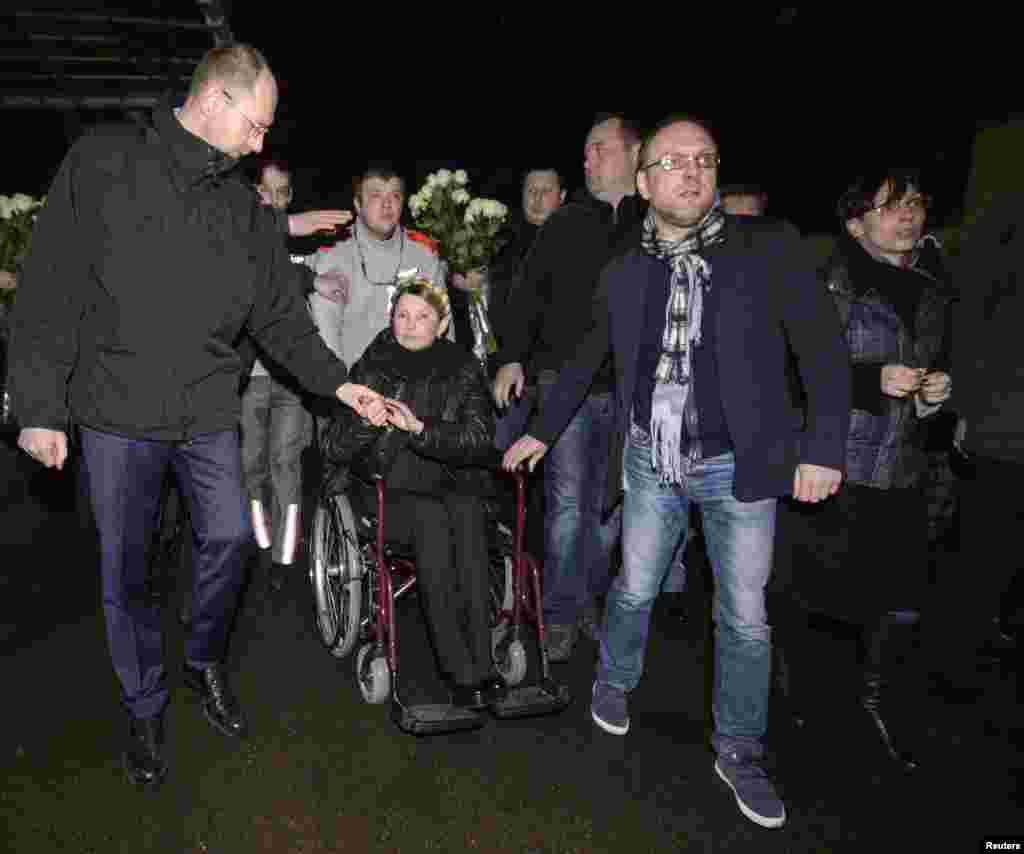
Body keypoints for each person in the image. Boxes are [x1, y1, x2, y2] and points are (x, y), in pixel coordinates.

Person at [5, 44, 387, 790]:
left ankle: (203, 657)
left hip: (208, 411)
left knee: (230, 538)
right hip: (115, 414)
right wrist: (40, 406)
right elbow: (48, 285)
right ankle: (144, 705)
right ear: (215, 99)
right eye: (256, 126)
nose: (260, 143)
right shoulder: (105, 161)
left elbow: (282, 319)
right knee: (127, 573)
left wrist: (342, 387)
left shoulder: (244, 209)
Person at [504, 114, 850, 829]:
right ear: (643, 181)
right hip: (651, 459)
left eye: (704, 160)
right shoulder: (625, 269)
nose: (691, 173)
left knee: (745, 616)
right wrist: (541, 430)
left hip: (741, 464)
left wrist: (824, 448)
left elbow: (820, 349)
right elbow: (585, 358)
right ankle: (614, 678)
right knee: (634, 583)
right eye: (671, 163)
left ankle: (740, 749)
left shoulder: (767, 249)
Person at [773, 169, 954, 772]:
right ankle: (792, 705)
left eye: (917, 205)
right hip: (834, 463)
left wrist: (935, 396)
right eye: (893, 207)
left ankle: (874, 708)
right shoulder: (827, 280)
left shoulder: (932, 289)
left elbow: (933, 371)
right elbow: (790, 369)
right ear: (857, 222)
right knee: (810, 595)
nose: (910, 216)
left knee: (893, 601)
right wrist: (869, 378)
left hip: (901, 468)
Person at [492, 115, 647, 660]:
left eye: (598, 149)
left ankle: (588, 600)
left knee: (611, 514)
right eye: (585, 152)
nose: (587, 160)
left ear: (634, 154)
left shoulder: (652, 225)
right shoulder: (566, 222)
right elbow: (527, 294)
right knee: (566, 508)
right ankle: (558, 615)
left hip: (632, 395)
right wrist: (511, 357)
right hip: (565, 389)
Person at [320, 280, 506, 711]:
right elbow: (333, 445)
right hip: (388, 492)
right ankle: (458, 670)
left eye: (422, 316)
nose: (410, 324)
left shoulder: (461, 366)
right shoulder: (374, 364)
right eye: (402, 314)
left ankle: (484, 662)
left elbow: (479, 438)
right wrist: (368, 421)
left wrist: (421, 430)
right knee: (433, 521)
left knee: (466, 515)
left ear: (442, 324)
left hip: (452, 485)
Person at [239, 158, 349, 594]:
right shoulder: (245, 234)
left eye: (284, 192)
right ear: (253, 193)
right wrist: (309, 280)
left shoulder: (307, 243)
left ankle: (284, 559)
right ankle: (257, 542)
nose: (276, 200)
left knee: (286, 462)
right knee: (251, 465)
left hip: (291, 378)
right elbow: (266, 276)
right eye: (267, 192)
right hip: (249, 377)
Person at [939, 190, 1024, 699]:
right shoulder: (1008, 219)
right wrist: (966, 408)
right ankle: (957, 652)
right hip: (1005, 421)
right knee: (986, 543)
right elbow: (971, 316)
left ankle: (991, 623)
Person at [306, 163, 445, 376]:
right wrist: (341, 392)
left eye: (395, 196)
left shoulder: (424, 254)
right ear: (358, 205)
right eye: (376, 196)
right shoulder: (333, 255)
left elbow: (443, 330)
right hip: (352, 387)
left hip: (416, 385)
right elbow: (326, 340)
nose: (387, 204)